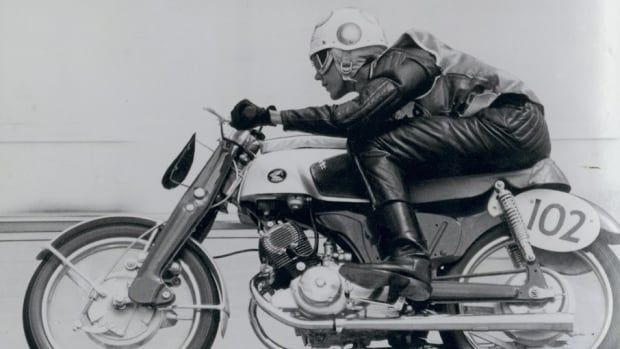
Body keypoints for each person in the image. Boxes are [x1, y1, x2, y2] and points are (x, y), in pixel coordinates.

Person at [229, 7, 551, 301]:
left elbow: (347, 117)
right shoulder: (383, 84)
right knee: (367, 143)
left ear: (344, 53)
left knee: (372, 144)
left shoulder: (407, 59)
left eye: (320, 61)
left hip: (511, 121)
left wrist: (269, 117)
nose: (317, 75)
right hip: (500, 128)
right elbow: (353, 121)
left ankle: (409, 257)